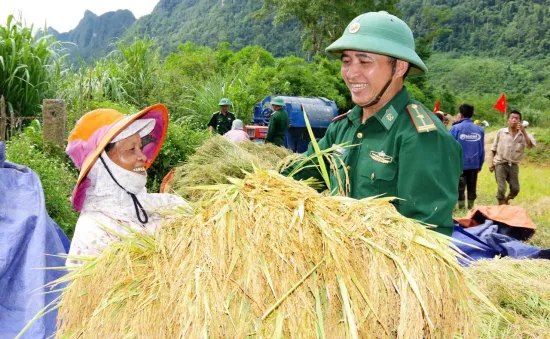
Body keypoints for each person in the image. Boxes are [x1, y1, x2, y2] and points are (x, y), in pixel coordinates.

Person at [286, 11, 462, 236]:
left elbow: (426, 235)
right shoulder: (342, 128)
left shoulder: (421, 137)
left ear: (399, 67)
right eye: (346, 61)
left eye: (364, 61)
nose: (351, 73)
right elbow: (299, 175)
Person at [65, 104, 190, 266]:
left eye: (141, 147)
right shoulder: (94, 233)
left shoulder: (162, 204)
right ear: (101, 165)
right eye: (131, 149)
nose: (143, 158)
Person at [489, 110, 536, 205]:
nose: (514, 120)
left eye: (516, 118)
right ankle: (501, 207)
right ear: (508, 120)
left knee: (515, 189)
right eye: (512, 118)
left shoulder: (524, 134)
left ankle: (506, 201)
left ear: (520, 121)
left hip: (513, 164)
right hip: (500, 163)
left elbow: (530, 146)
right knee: (501, 188)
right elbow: (493, 149)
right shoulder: (501, 132)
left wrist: (524, 132)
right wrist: (491, 163)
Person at [449, 104, 485, 209]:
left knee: (460, 188)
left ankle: (461, 209)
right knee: (472, 187)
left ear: (461, 114)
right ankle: (470, 208)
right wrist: (480, 164)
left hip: (459, 165)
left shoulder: (455, 128)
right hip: (474, 164)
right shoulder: (480, 130)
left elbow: (450, 148)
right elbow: (482, 149)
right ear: (472, 114)